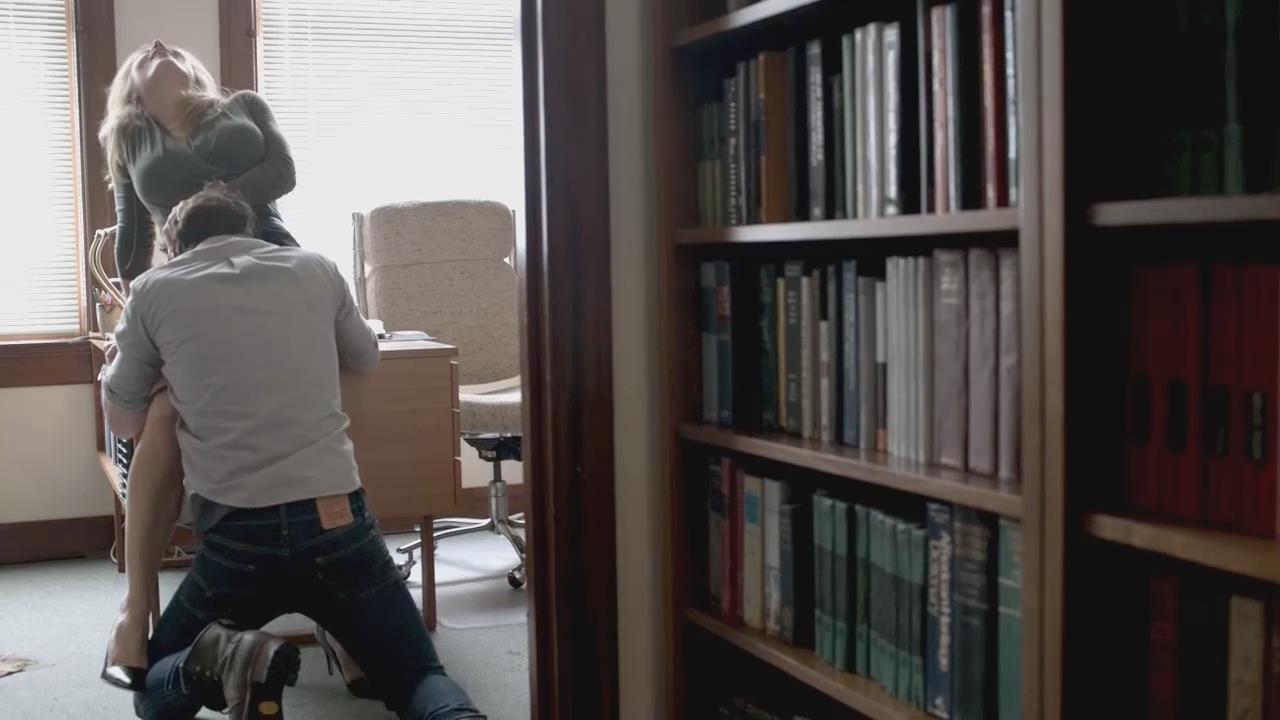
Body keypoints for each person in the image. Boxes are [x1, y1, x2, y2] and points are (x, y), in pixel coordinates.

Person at [101, 183, 484, 720]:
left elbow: (123, 419)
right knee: (419, 676)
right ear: (251, 230)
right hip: (336, 523)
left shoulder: (153, 290)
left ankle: (231, 655)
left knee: (155, 691)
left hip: (238, 537)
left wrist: (146, 368)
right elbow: (365, 358)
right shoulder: (316, 268)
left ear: (174, 243)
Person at [97, 40, 367, 695]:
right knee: (162, 412)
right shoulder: (130, 137)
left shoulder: (241, 106)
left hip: (273, 263)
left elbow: (283, 174)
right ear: (131, 87)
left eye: (172, 47)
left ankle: (341, 609)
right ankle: (135, 611)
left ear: (197, 69)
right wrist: (128, 324)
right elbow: (132, 239)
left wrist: (199, 202)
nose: (157, 44)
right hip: (187, 286)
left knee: (329, 398)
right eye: (143, 54)